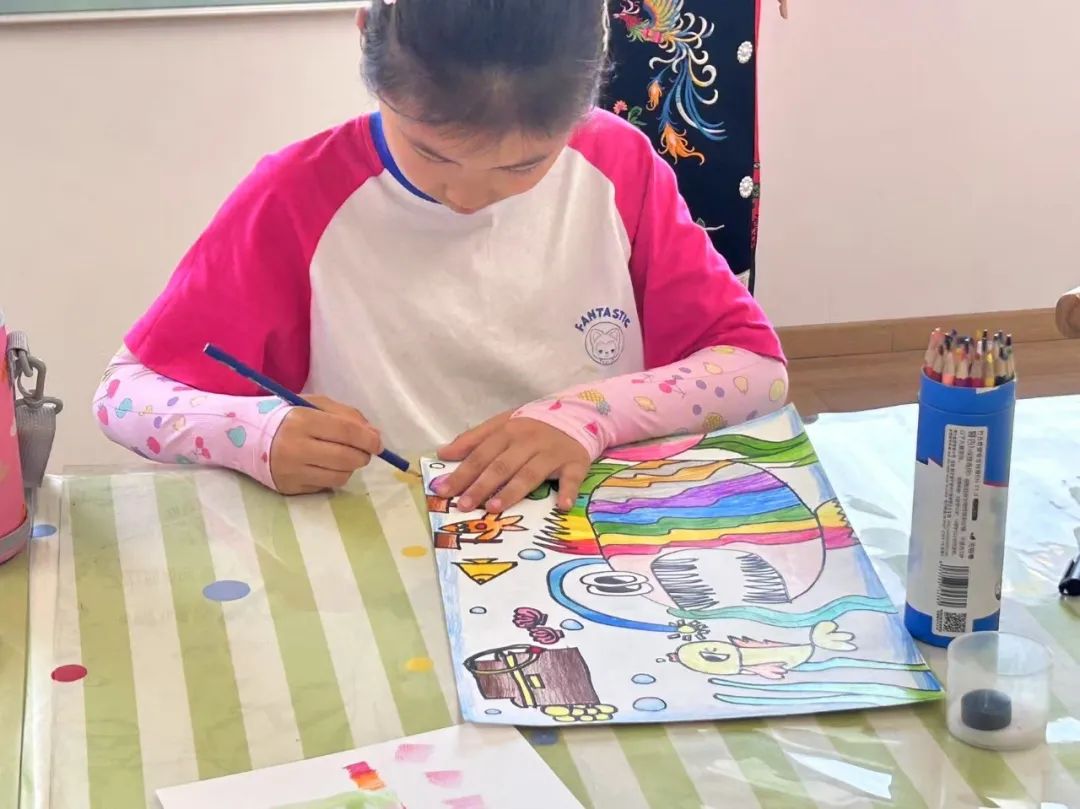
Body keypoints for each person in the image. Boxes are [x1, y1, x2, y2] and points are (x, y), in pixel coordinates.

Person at [94, 0, 788, 515]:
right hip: (379, 552)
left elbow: (758, 370)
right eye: (431, 153)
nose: (466, 197)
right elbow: (125, 395)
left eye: (523, 165)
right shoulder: (295, 198)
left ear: (587, 94)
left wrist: (590, 415)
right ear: (366, 39)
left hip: (591, 538)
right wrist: (255, 433)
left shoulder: (617, 166)